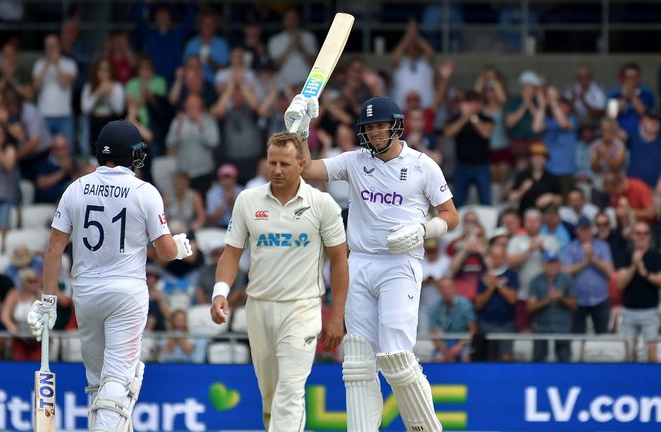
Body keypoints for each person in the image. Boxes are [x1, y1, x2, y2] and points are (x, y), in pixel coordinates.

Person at [285, 94, 458, 431]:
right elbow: (307, 170)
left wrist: (424, 230)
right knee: (357, 362)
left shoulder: (423, 165)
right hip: (359, 264)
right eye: (369, 127)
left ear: (395, 125)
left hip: (400, 265)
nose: (376, 133)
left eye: (381, 125)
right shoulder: (355, 161)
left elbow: (451, 215)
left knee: (396, 358)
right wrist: (302, 130)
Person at [26, 120, 193, 431]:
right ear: (129, 155)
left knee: (97, 381)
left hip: (86, 295)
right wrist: (182, 247)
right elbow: (166, 251)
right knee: (119, 379)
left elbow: (55, 246)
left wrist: (47, 300)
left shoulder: (75, 188)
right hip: (126, 296)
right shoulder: (145, 191)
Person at [209, 132, 348, 431]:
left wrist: (337, 315)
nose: (277, 170)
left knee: (290, 391)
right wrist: (220, 292)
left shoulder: (323, 204)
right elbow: (231, 254)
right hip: (258, 307)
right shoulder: (247, 200)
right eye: (272, 162)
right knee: (270, 395)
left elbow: (339, 260)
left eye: (285, 163)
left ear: (301, 164)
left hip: (303, 308)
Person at [615, 221, 661, 362]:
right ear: (633, 236)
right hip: (629, 310)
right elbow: (620, 284)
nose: (642, 236)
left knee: (652, 354)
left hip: (650, 311)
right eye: (638, 233)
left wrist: (643, 270)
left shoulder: (656, 256)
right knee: (630, 353)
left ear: (649, 236)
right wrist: (634, 266)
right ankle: (632, 382)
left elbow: (659, 280)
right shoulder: (625, 255)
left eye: (645, 233)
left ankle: (652, 383)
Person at [527, 251, 577, 362]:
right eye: (549, 263)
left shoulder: (567, 280)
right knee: (538, 362)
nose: (552, 266)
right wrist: (547, 300)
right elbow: (530, 307)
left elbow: (574, 305)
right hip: (541, 329)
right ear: (543, 264)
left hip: (562, 328)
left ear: (559, 264)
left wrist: (561, 298)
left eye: (554, 263)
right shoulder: (535, 281)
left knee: (565, 362)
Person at [428, 278, 477, 362]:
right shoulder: (435, 307)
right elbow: (433, 332)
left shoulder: (465, 304)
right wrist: (445, 351)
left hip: (463, 341)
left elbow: (473, 329)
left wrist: (459, 346)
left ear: (454, 288)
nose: (446, 292)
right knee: (439, 358)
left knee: (465, 357)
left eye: (448, 288)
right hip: (444, 342)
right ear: (439, 291)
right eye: (443, 289)